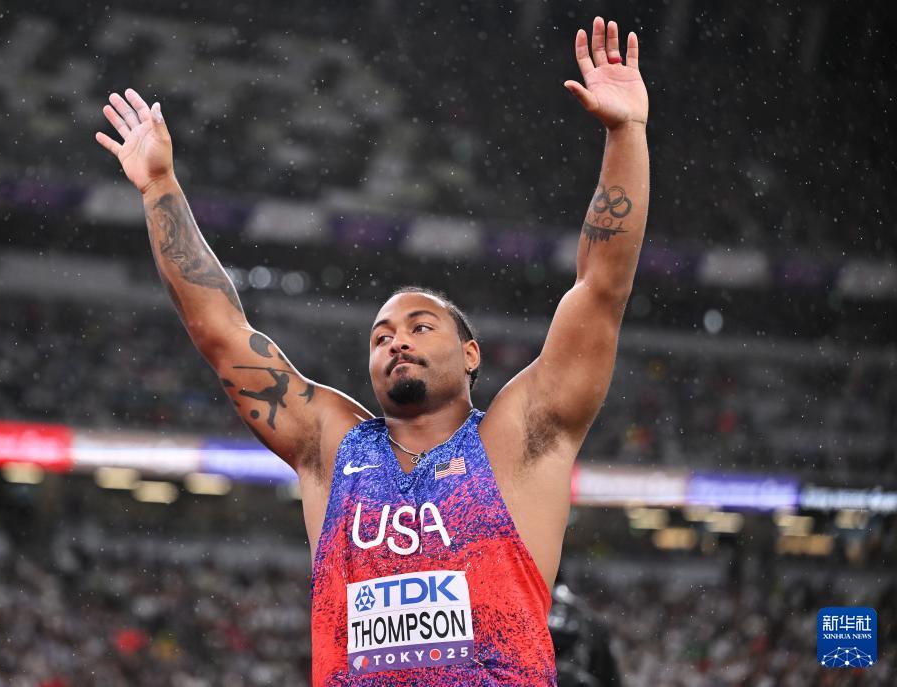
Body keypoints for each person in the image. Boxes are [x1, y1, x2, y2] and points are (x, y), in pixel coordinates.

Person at [95, 15, 648, 686]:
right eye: (380, 335)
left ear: (471, 354)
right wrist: (160, 187)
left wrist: (626, 133)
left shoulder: (518, 439)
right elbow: (221, 332)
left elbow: (600, 289)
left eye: (420, 326)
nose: (396, 341)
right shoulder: (331, 446)